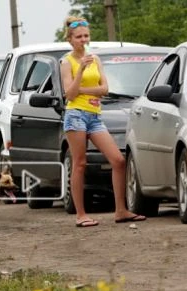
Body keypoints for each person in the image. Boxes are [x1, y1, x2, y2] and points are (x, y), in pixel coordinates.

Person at [59, 16, 146, 227]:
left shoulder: (95, 59)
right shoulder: (66, 62)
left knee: (118, 160)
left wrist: (83, 89)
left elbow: (104, 89)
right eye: (78, 37)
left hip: (95, 115)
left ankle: (121, 210)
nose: (83, 40)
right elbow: (69, 95)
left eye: (86, 36)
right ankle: (81, 214)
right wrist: (79, 71)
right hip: (76, 114)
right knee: (80, 163)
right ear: (70, 40)